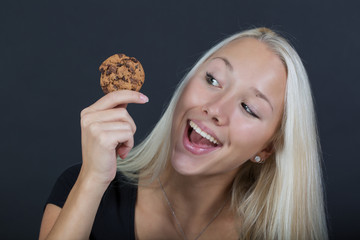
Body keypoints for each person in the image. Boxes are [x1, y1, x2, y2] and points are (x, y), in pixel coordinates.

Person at [39, 27, 328, 240]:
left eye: (249, 108)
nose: (216, 108)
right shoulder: (83, 188)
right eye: (213, 79)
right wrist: (92, 181)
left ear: (266, 149)